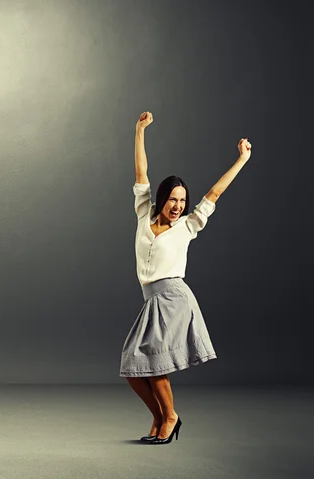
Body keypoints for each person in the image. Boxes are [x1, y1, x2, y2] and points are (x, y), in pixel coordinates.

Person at [120, 112, 252, 445]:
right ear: (162, 198)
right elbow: (141, 171)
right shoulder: (143, 213)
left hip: (175, 299)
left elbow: (215, 193)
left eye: (182, 200)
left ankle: (171, 418)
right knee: (133, 366)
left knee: (154, 366)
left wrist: (242, 159)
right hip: (152, 300)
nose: (178, 206)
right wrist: (139, 131)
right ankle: (160, 417)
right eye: (173, 199)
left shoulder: (188, 226)